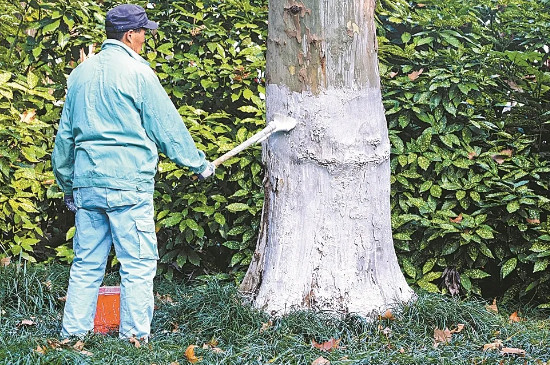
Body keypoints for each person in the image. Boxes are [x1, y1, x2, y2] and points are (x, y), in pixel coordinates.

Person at [52, 4, 215, 341]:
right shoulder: (139, 73)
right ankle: (135, 338)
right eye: (144, 33)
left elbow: (64, 139)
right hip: (128, 186)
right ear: (130, 35)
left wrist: (70, 186)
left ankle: (71, 335)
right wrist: (199, 164)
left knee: (86, 265)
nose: (145, 39)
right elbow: (168, 129)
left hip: (87, 185)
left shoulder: (80, 75)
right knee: (137, 264)